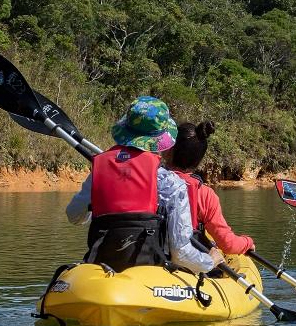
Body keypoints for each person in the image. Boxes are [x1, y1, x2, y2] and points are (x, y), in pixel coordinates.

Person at [65, 96, 225, 273]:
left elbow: (74, 216)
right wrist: (209, 261)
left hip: (103, 266)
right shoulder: (171, 183)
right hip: (149, 271)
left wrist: (101, 206)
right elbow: (180, 253)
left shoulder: (99, 171)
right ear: (161, 140)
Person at [162, 120, 255, 255]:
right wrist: (247, 242)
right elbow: (228, 245)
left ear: (168, 151)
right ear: (199, 160)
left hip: (153, 256)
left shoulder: (152, 180)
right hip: (186, 262)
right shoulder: (205, 195)